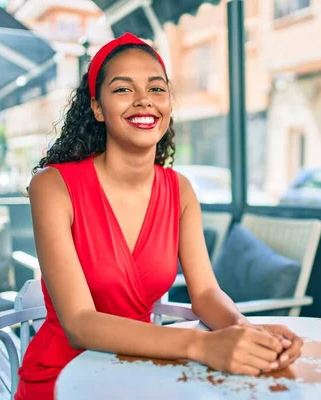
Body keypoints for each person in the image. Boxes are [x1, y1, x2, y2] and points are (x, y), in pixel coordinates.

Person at [16, 33, 303, 400]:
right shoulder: (52, 186)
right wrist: (200, 345)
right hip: (62, 376)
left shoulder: (180, 190)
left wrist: (246, 334)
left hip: (143, 370)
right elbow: (79, 323)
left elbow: (205, 293)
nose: (143, 101)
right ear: (97, 108)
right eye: (123, 90)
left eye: (156, 89)